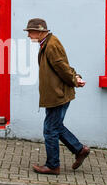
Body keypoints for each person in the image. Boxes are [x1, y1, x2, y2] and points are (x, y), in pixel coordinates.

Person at [24, 18, 90, 175]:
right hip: (55, 94)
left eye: (30, 32)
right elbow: (62, 66)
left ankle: (53, 165)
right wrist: (75, 77)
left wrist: (75, 79)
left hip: (58, 94)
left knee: (50, 130)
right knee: (55, 127)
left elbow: (63, 67)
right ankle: (79, 149)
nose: (28, 35)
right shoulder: (47, 43)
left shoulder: (52, 45)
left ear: (40, 32)